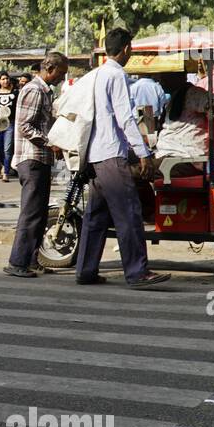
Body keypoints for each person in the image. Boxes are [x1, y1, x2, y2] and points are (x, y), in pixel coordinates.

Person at [75, 28, 170, 288]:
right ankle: (137, 271)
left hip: (96, 155)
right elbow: (125, 118)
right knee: (129, 212)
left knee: (96, 216)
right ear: (127, 48)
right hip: (111, 153)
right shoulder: (116, 75)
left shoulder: (97, 74)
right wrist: (144, 153)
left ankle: (85, 270)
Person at [5, 52, 69, 277]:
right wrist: (49, 143)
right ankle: (17, 262)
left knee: (39, 213)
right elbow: (24, 126)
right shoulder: (34, 90)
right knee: (31, 213)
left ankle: (31, 259)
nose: (61, 78)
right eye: (60, 73)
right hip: (31, 158)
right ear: (50, 69)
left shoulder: (44, 91)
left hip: (40, 159)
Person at [0, 71, 18, 182]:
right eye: (2, 79)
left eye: (6, 78)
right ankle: (3, 164)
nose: (5, 81)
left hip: (10, 123)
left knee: (7, 149)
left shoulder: (15, 93)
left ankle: (6, 172)